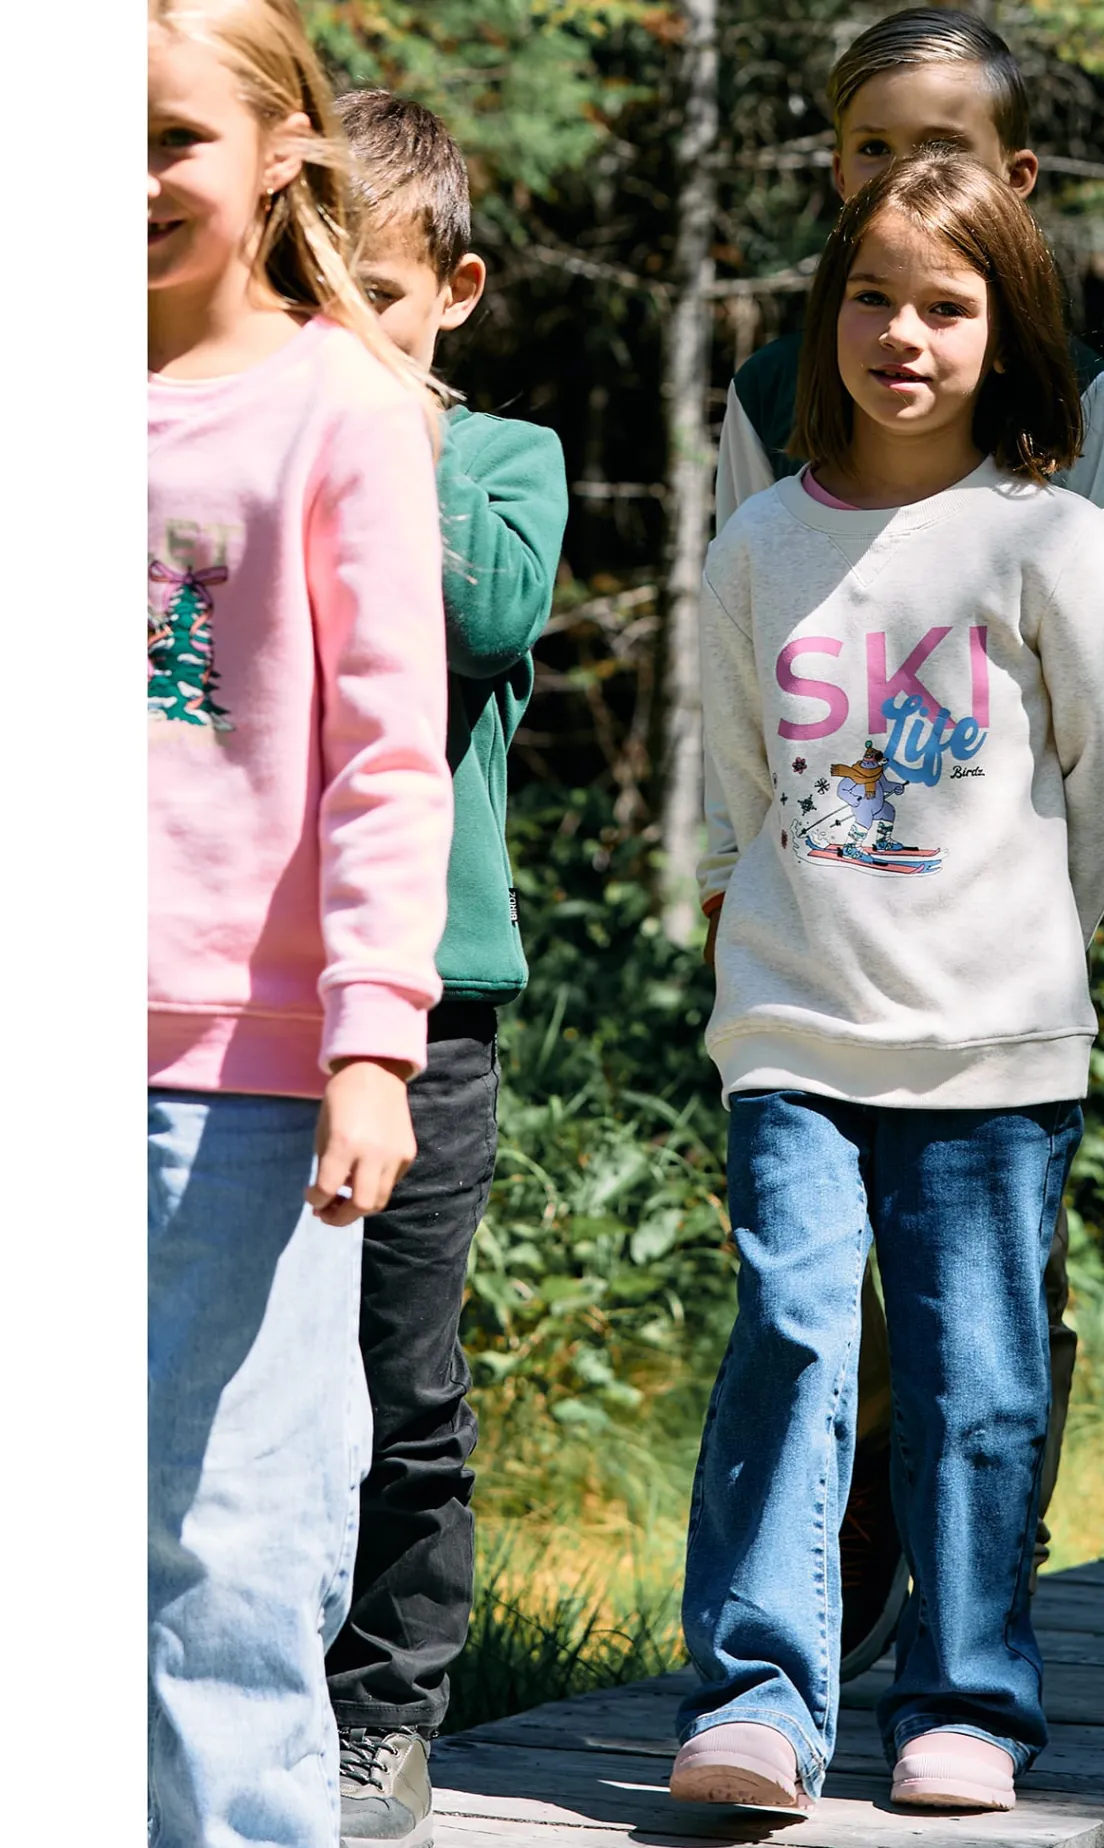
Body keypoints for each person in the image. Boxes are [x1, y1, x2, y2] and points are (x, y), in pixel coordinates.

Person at [671, 153, 1104, 1815]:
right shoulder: (761, 543)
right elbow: (741, 781)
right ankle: (758, 1699)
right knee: (794, 1338)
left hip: (993, 1043)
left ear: (1004, 330)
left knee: (975, 1375)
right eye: (873, 299)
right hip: (796, 1028)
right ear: (829, 315)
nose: (904, 334)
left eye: (946, 306)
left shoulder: (1051, 537)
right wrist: (761, 926)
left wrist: (1028, 930)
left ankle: (964, 1704)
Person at [147, 5, 453, 1846]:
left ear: (280, 154)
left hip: (243, 1088)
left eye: (169, 137)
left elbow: (386, 758)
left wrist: (370, 1041)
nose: (122, 183)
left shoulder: (341, 407)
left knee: (224, 1554)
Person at [309, 90, 571, 1848]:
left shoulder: (499, 460)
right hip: (265, 995)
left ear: (456, 295)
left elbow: (481, 618)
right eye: (317, 299)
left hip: (432, 997)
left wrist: (385, 428)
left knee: (401, 1377)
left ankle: (384, 1712)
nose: (347, 339)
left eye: (382, 305)